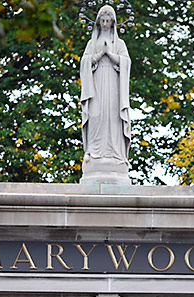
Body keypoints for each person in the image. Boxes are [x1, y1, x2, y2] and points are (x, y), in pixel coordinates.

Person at [79, 4, 131, 178]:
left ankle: (115, 154)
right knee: (96, 115)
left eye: (109, 20)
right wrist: (99, 55)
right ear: (98, 22)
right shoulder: (92, 43)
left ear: (114, 22)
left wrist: (109, 53)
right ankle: (93, 152)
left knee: (113, 116)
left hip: (114, 85)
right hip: (96, 84)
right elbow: (85, 62)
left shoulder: (120, 43)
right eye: (103, 20)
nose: (106, 23)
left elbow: (126, 63)